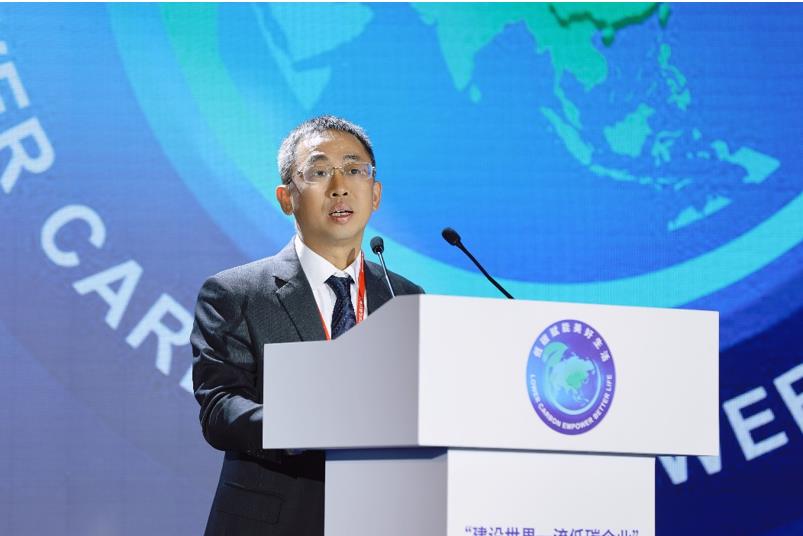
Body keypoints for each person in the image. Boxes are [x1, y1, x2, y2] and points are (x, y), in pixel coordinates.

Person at [190, 115, 424, 536]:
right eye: (318, 172)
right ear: (286, 198)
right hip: (276, 520)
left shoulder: (405, 297)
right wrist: (315, 423)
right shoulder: (236, 292)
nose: (340, 186)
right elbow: (220, 409)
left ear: (375, 194)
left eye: (354, 170)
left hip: (385, 515)